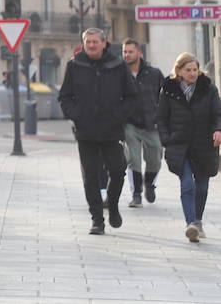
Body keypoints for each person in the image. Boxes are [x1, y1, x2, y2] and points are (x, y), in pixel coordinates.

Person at [57, 28, 139, 234]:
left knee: (118, 171)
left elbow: (132, 96)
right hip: (86, 131)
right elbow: (65, 97)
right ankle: (97, 219)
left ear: (104, 43)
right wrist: (77, 115)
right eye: (88, 42)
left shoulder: (118, 65)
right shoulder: (75, 65)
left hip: (112, 130)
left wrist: (118, 115)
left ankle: (112, 206)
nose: (91, 45)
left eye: (95, 41)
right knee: (91, 177)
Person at [156, 52, 221, 242]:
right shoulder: (168, 90)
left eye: (195, 69)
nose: (193, 73)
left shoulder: (209, 89)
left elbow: (218, 113)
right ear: (179, 71)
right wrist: (166, 139)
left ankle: (198, 221)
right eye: (188, 70)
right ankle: (191, 224)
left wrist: (218, 130)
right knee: (187, 184)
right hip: (179, 144)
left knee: (201, 187)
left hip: (204, 145)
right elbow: (161, 118)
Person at [121, 39, 164, 207]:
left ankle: (149, 183)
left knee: (155, 159)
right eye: (125, 51)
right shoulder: (119, 73)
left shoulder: (154, 73)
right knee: (133, 158)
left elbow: (165, 96)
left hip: (151, 122)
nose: (127, 55)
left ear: (139, 53)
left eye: (130, 51)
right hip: (129, 123)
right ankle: (136, 194)